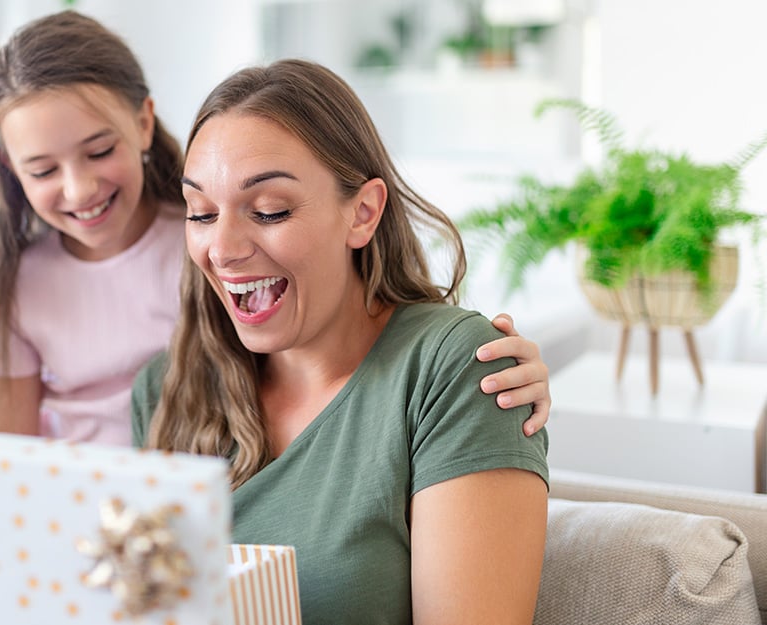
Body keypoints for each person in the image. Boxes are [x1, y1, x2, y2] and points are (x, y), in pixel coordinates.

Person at [0, 10, 551, 447]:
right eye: (43, 169)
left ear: (143, 123)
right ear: (12, 169)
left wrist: (488, 365)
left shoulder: (203, 253)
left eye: (268, 210)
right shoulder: (28, 287)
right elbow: (2, 460)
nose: (79, 188)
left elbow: (379, 342)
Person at [131, 59, 549, 624]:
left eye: (269, 210)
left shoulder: (457, 370)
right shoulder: (164, 392)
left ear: (363, 212)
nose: (222, 248)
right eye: (202, 213)